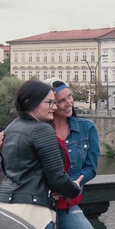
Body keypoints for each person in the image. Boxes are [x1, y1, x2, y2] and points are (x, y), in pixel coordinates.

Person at [0, 80, 83, 229]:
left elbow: (10, 169)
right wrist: (75, 188)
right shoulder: (42, 130)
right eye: (50, 102)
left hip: (5, 208)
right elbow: (57, 177)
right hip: (32, 212)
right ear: (30, 103)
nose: (54, 107)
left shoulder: (12, 126)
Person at [42, 78, 100, 229]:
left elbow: (91, 168)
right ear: (50, 104)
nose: (69, 103)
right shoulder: (37, 130)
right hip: (39, 204)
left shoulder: (87, 128)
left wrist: (67, 186)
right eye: (61, 100)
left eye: (69, 96)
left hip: (66, 205)